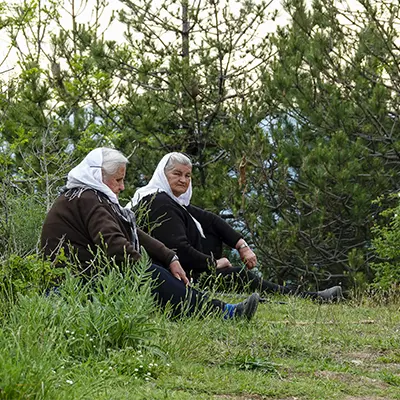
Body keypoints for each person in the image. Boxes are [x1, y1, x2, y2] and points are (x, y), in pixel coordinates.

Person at [40, 148, 260, 320]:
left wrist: (169, 257)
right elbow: (114, 245)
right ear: (98, 176)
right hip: (69, 287)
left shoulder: (86, 196)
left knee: (154, 271)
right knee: (151, 273)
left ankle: (216, 309)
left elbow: (132, 231)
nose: (122, 187)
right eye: (118, 180)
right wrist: (147, 269)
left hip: (77, 281)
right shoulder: (89, 199)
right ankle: (224, 313)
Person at [127, 152, 342, 301]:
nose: (183, 180)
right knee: (238, 276)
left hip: (191, 271)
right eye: (177, 174)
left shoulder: (173, 201)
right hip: (182, 275)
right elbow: (178, 250)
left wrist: (242, 245)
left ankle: (306, 295)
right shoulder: (158, 202)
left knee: (235, 271)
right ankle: (307, 297)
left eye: (188, 175)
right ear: (163, 175)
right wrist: (213, 264)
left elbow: (211, 220)